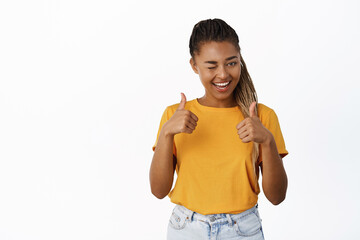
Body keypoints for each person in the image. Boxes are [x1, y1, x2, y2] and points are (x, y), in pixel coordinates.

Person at [149, 18, 289, 239]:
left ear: (240, 61)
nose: (223, 74)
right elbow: (158, 191)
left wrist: (268, 142)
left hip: (243, 230)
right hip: (186, 229)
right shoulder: (174, 116)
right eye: (211, 66)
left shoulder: (262, 117)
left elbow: (277, 196)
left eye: (231, 63)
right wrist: (167, 133)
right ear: (194, 66)